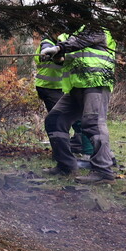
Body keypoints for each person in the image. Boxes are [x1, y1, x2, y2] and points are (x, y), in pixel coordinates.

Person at [40, 0, 119, 184]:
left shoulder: (96, 29)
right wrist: (53, 54)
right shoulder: (69, 35)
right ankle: (66, 165)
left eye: (72, 13)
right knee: (55, 120)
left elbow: (78, 42)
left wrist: (59, 48)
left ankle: (104, 172)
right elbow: (63, 58)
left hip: (95, 84)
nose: (69, 17)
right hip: (75, 87)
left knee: (93, 124)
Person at [34, 36, 94, 167]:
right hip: (50, 88)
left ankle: (79, 149)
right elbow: (47, 51)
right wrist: (54, 54)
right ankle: (63, 157)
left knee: (76, 121)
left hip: (64, 87)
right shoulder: (48, 42)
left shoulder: (68, 41)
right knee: (60, 121)